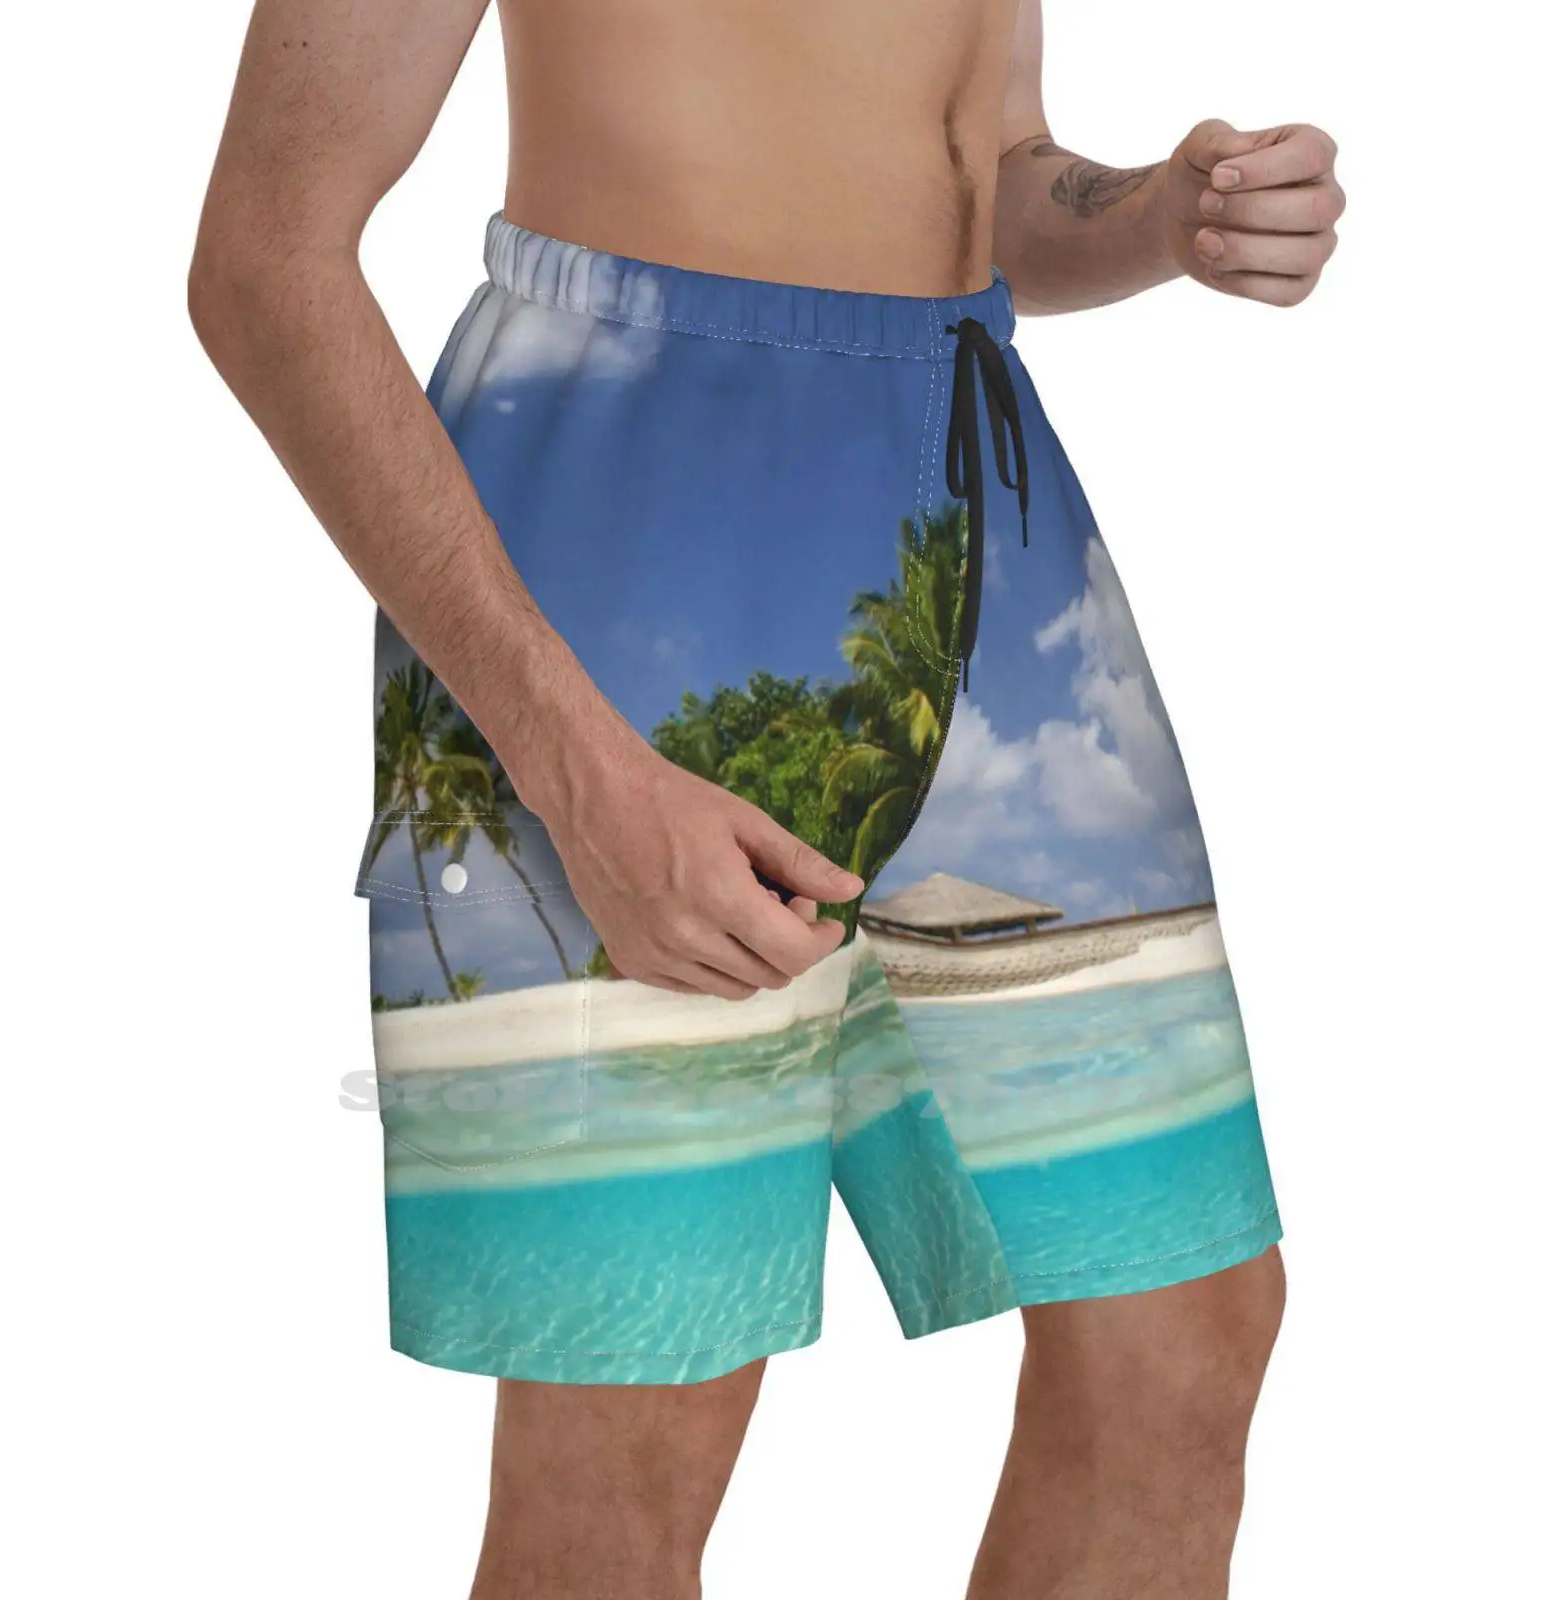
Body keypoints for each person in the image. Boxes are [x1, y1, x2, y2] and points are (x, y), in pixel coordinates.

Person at [191, 1, 1340, 1593]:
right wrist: (573, 770)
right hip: (630, 509)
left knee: (1181, 1327)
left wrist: (1160, 213)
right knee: (640, 1409)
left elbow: (980, 172)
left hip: (969, 495)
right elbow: (264, 258)